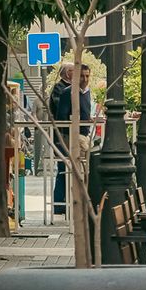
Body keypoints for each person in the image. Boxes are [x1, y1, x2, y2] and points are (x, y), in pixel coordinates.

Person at [48, 63, 94, 215]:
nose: (85, 79)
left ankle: (75, 203)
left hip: (84, 135)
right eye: (81, 75)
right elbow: (61, 117)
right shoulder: (67, 92)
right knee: (77, 170)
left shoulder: (87, 92)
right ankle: (75, 203)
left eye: (87, 76)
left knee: (80, 170)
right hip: (74, 137)